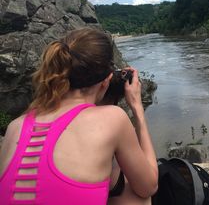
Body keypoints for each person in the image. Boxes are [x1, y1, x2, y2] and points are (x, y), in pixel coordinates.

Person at [0, 28, 158, 205]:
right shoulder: (113, 118)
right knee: (133, 193)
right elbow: (149, 186)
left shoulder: (16, 126)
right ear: (106, 80)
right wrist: (138, 110)